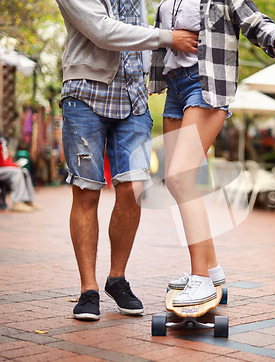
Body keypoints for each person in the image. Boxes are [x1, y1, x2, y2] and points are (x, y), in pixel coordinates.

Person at [149, 0, 275, 306]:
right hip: (175, 88)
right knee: (178, 184)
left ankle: (200, 279)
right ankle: (211, 270)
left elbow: (256, 22)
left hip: (205, 85)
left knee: (180, 179)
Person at [55, 0, 200, 321]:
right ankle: (88, 289)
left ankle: (116, 279)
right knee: (87, 190)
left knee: (134, 187)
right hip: (84, 94)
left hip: (133, 97)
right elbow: (102, 31)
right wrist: (167, 37)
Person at [0, 137, 37, 212]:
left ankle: (28, 201)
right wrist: (14, 166)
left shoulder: (2, 143)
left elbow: (6, 160)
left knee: (24, 172)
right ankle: (17, 202)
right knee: (16, 172)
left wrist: (15, 165)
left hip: (4, 168)